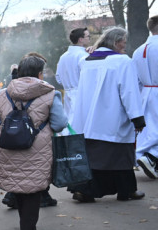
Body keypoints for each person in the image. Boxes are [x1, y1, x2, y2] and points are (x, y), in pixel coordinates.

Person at [0, 55, 68, 230]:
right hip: (38, 148)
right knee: (33, 188)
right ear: (40, 74)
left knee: (18, 184)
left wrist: (14, 130)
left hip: (9, 147)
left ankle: (25, 226)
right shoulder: (51, 94)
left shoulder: (4, 94)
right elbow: (59, 124)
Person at [69, 27, 146, 202]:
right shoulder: (122, 62)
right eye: (124, 43)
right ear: (116, 41)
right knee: (121, 155)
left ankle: (85, 189)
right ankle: (126, 190)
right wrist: (137, 118)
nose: (125, 47)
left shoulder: (86, 60)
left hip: (88, 119)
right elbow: (129, 92)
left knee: (93, 157)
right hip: (112, 117)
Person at [132, 16, 158, 178]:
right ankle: (150, 156)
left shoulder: (138, 49)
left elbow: (135, 77)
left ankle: (148, 157)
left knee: (150, 129)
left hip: (145, 92)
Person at [56, 28, 90, 119]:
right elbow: (89, 77)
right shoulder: (84, 55)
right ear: (81, 39)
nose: (89, 39)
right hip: (82, 94)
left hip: (67, 94)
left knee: (70, 124)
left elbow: (58, 79)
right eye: (88, 36)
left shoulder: (63, 57)